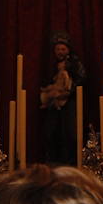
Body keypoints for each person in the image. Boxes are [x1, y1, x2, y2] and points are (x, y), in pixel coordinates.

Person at [39, 30, 86, 164]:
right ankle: (53, 162)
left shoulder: (74, 63)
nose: (60, 52)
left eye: (63, 49)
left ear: (68, 50)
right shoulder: (53, 66)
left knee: (70, 134)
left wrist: (69, 90)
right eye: (58, 49)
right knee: (51, 133)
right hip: (55, 104)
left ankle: (70, 162)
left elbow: (81, 78)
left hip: (69, 103)